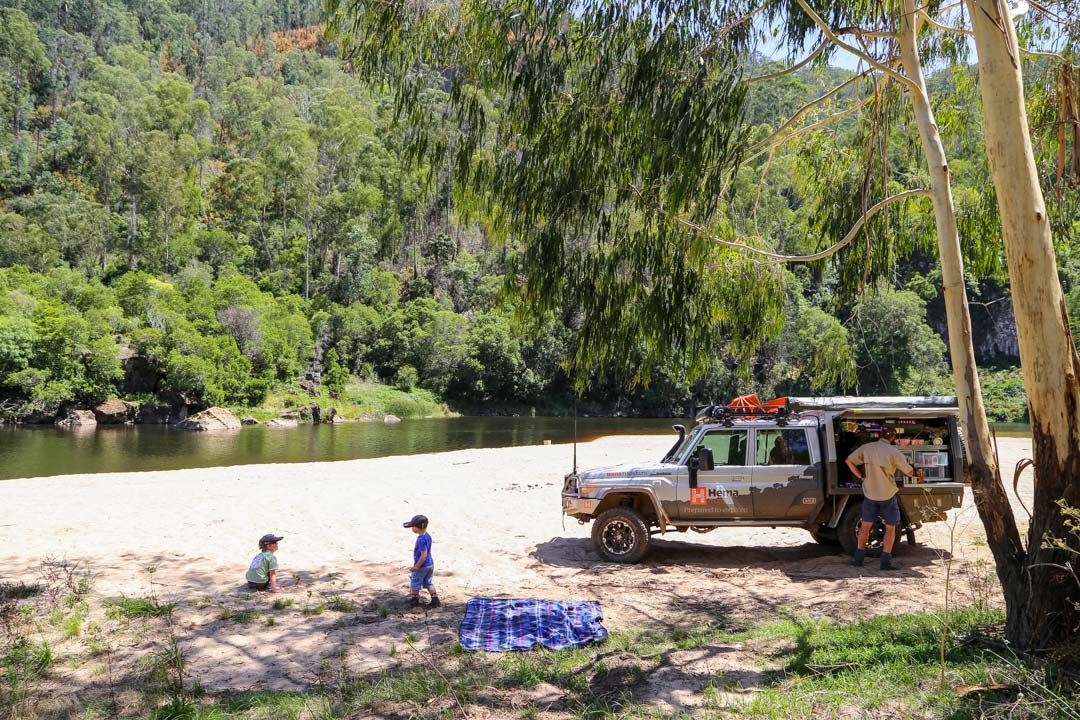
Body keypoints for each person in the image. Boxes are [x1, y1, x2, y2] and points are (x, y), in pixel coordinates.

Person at [844, 429, 914, 570]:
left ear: (878, 436)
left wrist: (861, 477)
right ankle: (885, 561)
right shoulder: (894, 452)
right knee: (890, 527)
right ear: (893, 437)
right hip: (888, 494)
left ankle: (858, 558)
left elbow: (849, 461)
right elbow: (909, 472)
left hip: (870, 494)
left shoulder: (867, 448)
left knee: (865, 525)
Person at [404, 514, 440, 609]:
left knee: (415, 582)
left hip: (422, 566)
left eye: (413, 526)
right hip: (430, 564)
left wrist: (416, 566)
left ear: (417, 528)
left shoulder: (421, 540)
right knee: (428, 582)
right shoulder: (427, 536)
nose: (411, 528)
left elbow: (423, 555)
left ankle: (414, 600)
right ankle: (435, 599)